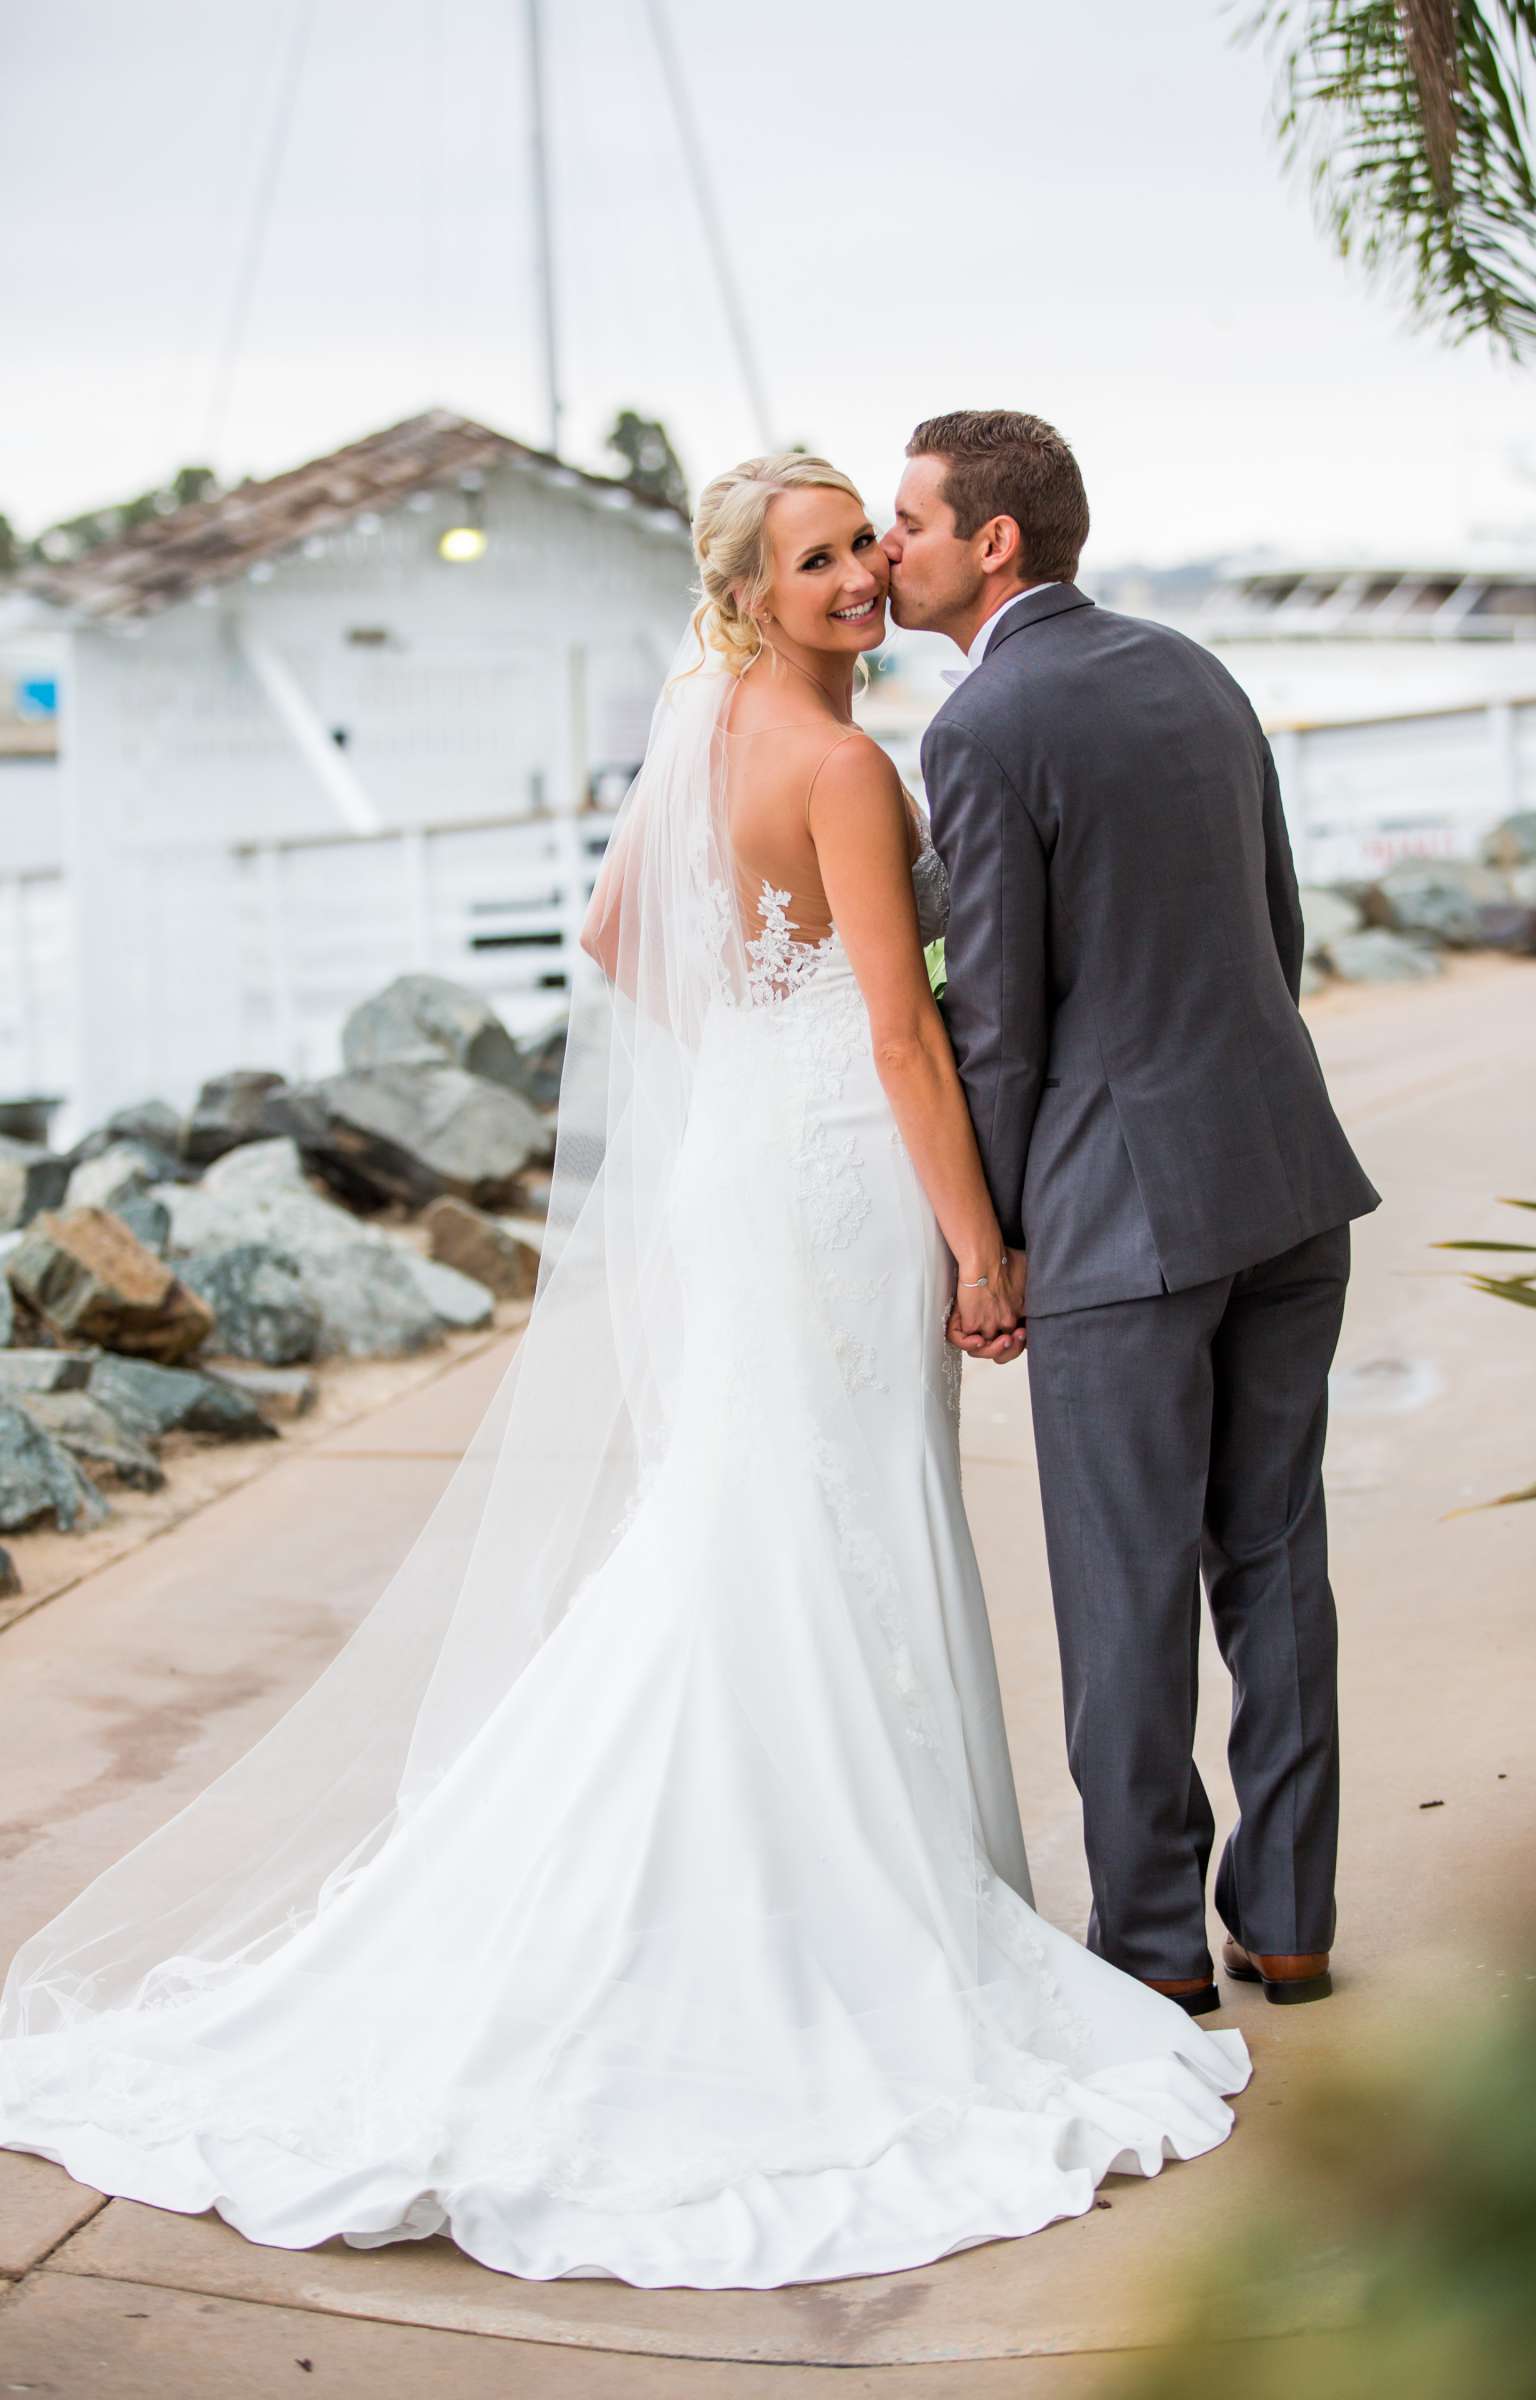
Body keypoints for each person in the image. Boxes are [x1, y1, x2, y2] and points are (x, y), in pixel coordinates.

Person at [0, 452, 1248, 2292]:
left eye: (858, 550)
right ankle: (832, 1910)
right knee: (830, 1521)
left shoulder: (706, 725)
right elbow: (904, 1032)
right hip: (834, 1177)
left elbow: (612, 940)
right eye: (815, 560)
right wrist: (979, 1240)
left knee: (756, 1523)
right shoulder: (839, 765)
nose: (848, 579)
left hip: (754, 1156)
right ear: (751, 588)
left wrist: (750, 1042)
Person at [883, 410, 1380, 2015]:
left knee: (1123, 1596)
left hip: (1120, 1219)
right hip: (1286, 1175)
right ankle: (1291, 1924)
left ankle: (1155, 1958)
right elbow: (1276, 923)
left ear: (995, 542)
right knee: (1274, 1560)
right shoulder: (1197, 669)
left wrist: (998, 1240)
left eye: (910, 522)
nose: (893, 551)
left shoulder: (979, 727)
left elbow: (1001, 1024)